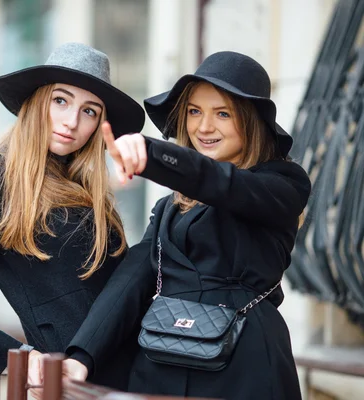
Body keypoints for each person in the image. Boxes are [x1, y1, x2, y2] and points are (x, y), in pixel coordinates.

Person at [58, 51, 312, 400]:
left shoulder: (282, 184)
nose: (203, 127)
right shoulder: (168, 208)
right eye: (194, 111)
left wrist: (152, 154)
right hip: (162, 362)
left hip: (243, 366)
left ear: (251, 121)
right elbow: (131, 280)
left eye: (223, 113)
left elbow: (227, 185)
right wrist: (81, 356)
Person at [0, 42, 145, 390]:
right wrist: (21, 357)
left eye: (90, 111)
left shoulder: (93, 192)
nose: (71, 121)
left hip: (135, 377)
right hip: (73, 387)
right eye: (61, 101)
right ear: (38, 102)